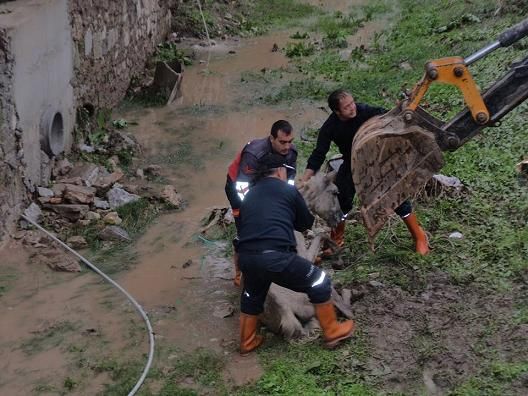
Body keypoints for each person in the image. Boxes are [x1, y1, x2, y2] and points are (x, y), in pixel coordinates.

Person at [237, 153, 355, 355]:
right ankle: (333, 331)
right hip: (275, 256)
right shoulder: (287, 190)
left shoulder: (249, 195)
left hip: (247, 259)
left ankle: (247, 341)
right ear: (280, 171)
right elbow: (304, 223)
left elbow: (244, 227)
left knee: (253, 296)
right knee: (318, 281)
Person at [302, 89, 429, 255]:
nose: (352, 107)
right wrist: (306, 178)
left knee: (396, 198)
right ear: (337, 111)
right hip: (352, 162)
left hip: (377, 160)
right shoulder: (330, 127)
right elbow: (319, 153)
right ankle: (337, 239)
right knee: (342, 199)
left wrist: (402, 108)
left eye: (352, 103)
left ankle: (419, 236)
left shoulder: (364, 111)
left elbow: (386, 115)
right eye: (347, 107)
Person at [225, 120, 297, 286]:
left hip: (267, 185)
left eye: (290, 141)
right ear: (272, 138)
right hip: (239, 187)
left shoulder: (292, 153)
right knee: (245, 228)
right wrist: (255, 209)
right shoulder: (254, 153)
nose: (287, 147)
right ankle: (240, 271)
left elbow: (289, 181)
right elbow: (242, 186)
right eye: (282, 142)